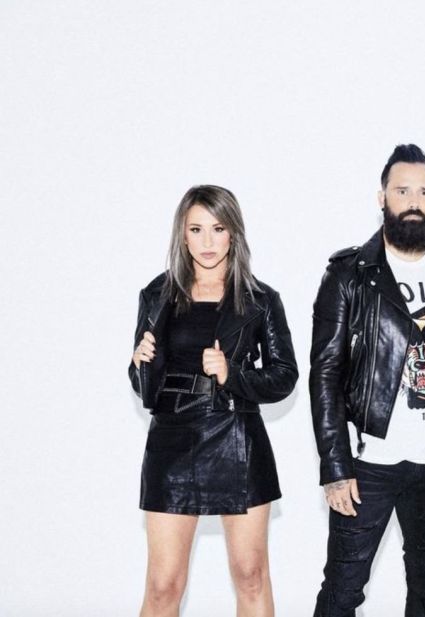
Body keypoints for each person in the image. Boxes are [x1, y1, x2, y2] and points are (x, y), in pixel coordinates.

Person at [309, 144, 425, 617]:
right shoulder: (349, 275)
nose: (414, 201)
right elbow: (326, 373)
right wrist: (335, 465)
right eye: (402, 191)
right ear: (382, 198)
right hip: (368, 463)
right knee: (343, 592)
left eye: (424, 192)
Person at [129, 185, 298, 617]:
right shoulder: (156, 295)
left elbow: (285, 376)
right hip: (171, 441)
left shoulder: (261, 299)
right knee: (163, 586)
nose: (207, 241)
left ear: (233, 233)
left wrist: (232, 374)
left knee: (251, 575)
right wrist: (139, 364)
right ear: (182, 235)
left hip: (237, 439)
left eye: (218, 229)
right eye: (196, 229)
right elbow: (144, 386)